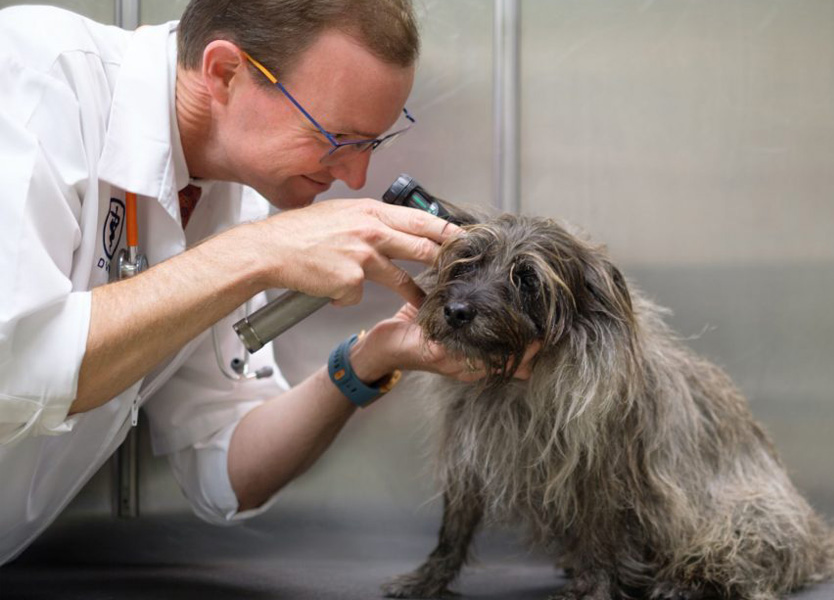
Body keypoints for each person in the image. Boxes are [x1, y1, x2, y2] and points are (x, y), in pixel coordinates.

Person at [0, 0, 534, 565]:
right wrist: (257, 253)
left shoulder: (237, 192)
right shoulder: (34, 74)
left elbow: (223, 468)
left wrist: (368, 360)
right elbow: (14, 368)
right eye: (337, 138)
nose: (353, 176)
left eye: (370, 145)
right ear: (226, 72)